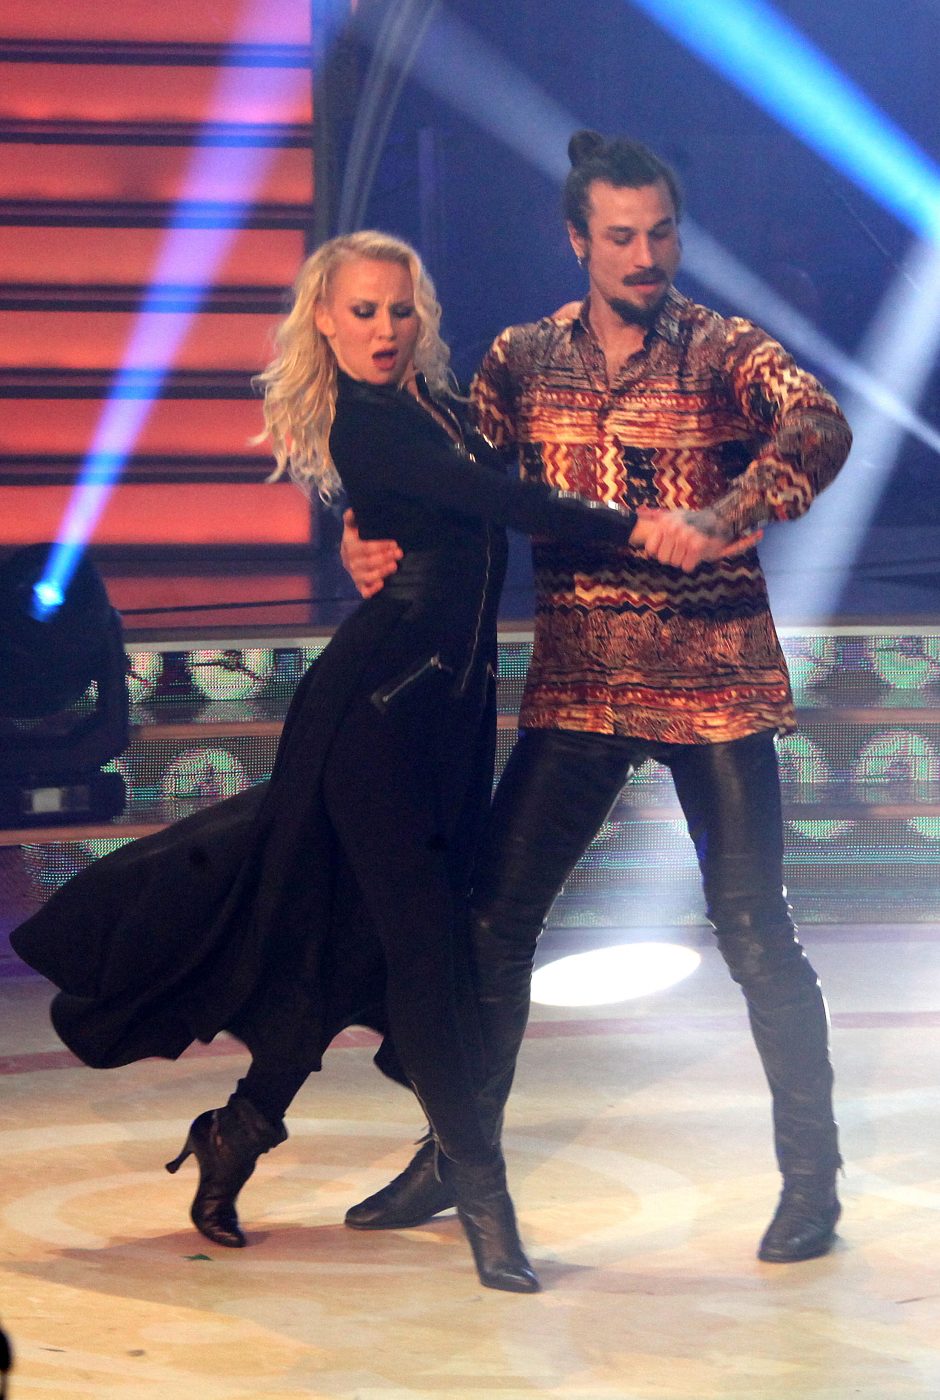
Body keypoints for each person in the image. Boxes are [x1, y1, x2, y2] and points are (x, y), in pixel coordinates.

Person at [11, 230, 740, 1293]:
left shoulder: (434, 406)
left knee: (346, 939)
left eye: (399, 309)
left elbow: (480, 483)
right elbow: (502, 502)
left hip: (445, 718)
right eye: (362, 311)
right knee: (426, 951)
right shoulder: (369, 421)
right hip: (377, 719)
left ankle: (237, 1131)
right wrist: (638, 525)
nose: (384, 329)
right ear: (324, 319)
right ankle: (485, 1201)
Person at [339, 132, 854, 1265]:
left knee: (755, 931)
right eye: (621, 236)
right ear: (577, 239)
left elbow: (821, 423)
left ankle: (812, 1180)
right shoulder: (521, 360)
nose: (645, 255)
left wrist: (726, 515)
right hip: (580, 684)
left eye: (660, 233)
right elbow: (441, 475)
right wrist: (360, 535)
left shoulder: (721, 346)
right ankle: (454, 1152)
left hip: (713, 682)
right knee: (491, 922)